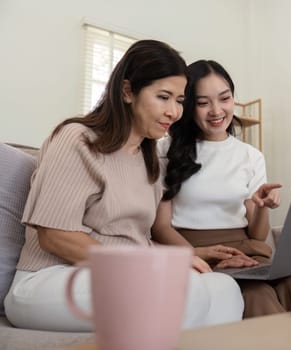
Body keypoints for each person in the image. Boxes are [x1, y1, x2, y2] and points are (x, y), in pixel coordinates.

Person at [4, 41, 243, 332]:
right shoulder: (77, 139)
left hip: (120, 274)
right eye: (163, 97)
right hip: (48, 279)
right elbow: (54, 236)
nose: (174, 112)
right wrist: (152, 263)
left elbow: (133, 242)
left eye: (180, 100)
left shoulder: (151, 160)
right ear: (128, 91)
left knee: (224, 288)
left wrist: (190, 255)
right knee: (180, 289)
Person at [154, 59, 291, 318]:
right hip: (195, 249)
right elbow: (161, 227)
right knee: (256, 293)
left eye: (225, 98)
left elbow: (257, 233)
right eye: (202, 103)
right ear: (188, 106)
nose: (216, 110)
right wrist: (199, 254)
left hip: (246, 247)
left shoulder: (250, 156)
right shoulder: (165, 150)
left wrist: (261, 206)